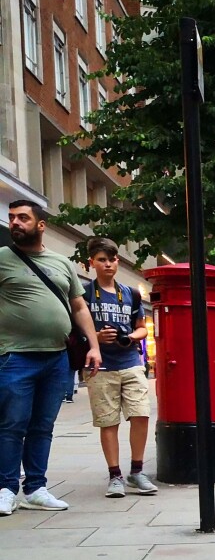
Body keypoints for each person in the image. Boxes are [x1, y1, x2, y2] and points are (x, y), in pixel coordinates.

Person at [0, 200, 103, 516]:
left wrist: (94, 345)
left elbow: (79, 307)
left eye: (23, 218)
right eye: (12, 217)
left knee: (42, 426)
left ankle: (35, 488)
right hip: (15, 356)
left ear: (40, 224)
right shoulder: (2, 259)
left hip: (56, 359)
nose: (16, 222)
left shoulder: (61, 263)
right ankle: (5, 489)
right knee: (12, 425)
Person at [83, 237, 157, 498]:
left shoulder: (131, 294)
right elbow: (76, 329)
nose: (108, 264)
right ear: (92, 263)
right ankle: (115, 475)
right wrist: (95, 339)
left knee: (141, 414)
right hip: (101, 367)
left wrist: (130, 338)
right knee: (109, 421)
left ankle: (137, 471)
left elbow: (140, 329)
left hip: (130, 362)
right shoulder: (84, 294)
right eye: (102, 260)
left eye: (112, 259)